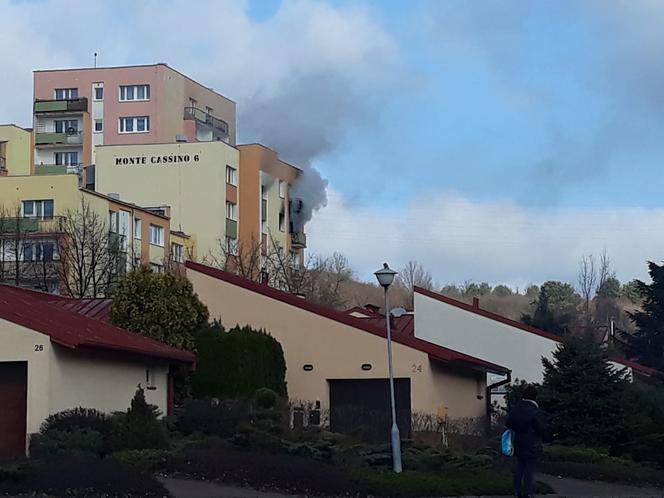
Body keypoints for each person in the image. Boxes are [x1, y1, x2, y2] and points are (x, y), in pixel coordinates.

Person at [506, 385, 548, 498]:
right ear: (535, 396)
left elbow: (508, 423)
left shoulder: (516, 409)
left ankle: (517, 490)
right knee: (529, 468)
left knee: (520, 466)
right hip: (532, 443)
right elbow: (540, 428)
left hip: (518, 441)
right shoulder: (535, 411)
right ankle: (528, 492)